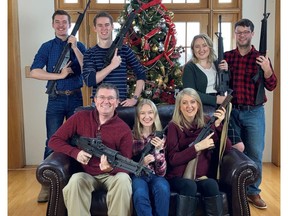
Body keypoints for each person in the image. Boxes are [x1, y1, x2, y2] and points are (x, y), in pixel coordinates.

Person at [48, 83, 133, 216]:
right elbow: (54, 141)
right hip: (86, 174)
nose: (106, 101)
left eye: (111, 98)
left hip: (112, 176)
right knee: (75, 181)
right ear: (95, 100)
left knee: (123, 180)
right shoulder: (80, 117)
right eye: (102, 97)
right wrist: (75, 153)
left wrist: (111, 168)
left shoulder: (124, 130)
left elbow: (127, 162)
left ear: (117, 102)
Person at [30, 9, 86, 202]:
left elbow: (88, 70)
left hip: (76, 99)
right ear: (53, 25)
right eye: (58, 22)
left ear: (70, 25)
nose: (61, 25)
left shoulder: (79, 45)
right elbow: (34, 72)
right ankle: (47, 185)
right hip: (56, 98)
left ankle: (75, 181)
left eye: (65, 22)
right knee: (52, 140)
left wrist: (76, 48)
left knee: (77, 140)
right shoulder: (47, 47)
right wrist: (59, 76)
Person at [224, 18, 277, 209]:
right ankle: (235, 189)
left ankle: (253, 192)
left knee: (254, 152)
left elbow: (272, 86)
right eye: (239, 32)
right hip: (233, 111)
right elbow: (221, 85)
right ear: (235, 34)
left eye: (245, 32)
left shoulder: (261, 58)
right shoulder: (227, 57)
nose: (242, 35)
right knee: (235, 151)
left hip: (254, 113)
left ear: (252, 34)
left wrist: (267, 70)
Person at [165, 88, 232, 216]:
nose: (189, 106)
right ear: (179, 106)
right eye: (184, 103)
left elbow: (227, 148)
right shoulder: (174, 126)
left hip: (201, 176)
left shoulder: (207, 122)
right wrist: (197, 147)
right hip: (178, 176)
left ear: (198, 104)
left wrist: (218, 125)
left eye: (192, 102)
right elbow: (173, 159)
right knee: (189, 186)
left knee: (212, 185)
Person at [182, 33, 244, 152]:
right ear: (193, 49)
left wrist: (227, 71)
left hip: (221, 108)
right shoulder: (190, 67)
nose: (201, 49)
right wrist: (215, 100)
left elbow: (227, 84)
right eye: (197, 46)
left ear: (210, 47)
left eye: (204, 45)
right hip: (202, 111)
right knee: (212, 148)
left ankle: (226, 170)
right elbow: (190, 93)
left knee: (238, 146)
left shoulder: (217, 63)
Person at [82, 11, 146, 107]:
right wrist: (112, 66)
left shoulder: (124, 49)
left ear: (112, 27)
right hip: (100, 105)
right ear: (95, 28)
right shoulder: (90, 53)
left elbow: (141, 73)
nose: (104, 28)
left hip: (120, 104)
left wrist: (134, 99)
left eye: (107, 25)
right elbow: (90, 81)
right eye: (100, 25)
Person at [131, 99, 170, 216]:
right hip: (138, 176)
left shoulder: (161, 136)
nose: (146, 116)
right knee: (140, 193)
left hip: (155, 176)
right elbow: (126, 163)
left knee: (162, 188)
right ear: (138, 116)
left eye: (150, 112)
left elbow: (161, 173)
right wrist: (142, 163)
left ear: (155, 115)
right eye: (142, 113)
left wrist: (158, 151)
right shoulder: (130, 136)